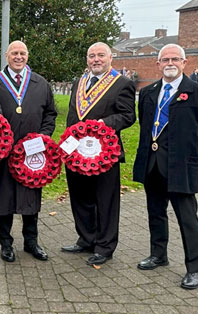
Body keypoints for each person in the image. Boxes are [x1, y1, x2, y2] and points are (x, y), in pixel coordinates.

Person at [131, 43, 198, 289]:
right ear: (158, 64)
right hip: (153, 163)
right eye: (165, 59)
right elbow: (146, 125)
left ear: (184, 62)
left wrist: (188, 150)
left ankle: (194, 268)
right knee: (155, 213)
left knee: (187, 218)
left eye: (175, 59)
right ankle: (158, 254)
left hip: (182, 166)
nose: (170, 63)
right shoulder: (148, 93)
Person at [60, 42, 136, 266]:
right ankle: (86, 238)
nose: (96, 59)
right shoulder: (79, 81)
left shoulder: (122, 83)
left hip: (104, 152)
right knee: (80, 197)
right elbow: (73, 116)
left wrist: (101, 125)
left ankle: (104, 246)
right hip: (76, 151)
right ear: (87, 59)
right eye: (91, 55)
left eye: (100, 55)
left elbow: (127, 116)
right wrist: (66, 146)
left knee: (105, 201)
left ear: (110, 57)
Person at [0, 41, 56, 263]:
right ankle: (5, 243)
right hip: (2, 154)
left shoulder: (40, 83)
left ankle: (31, 241)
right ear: (6, 55)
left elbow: (51, 114)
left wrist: (43, 137)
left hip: (32, 154)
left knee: (31, 198)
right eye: (14, 53)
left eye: (23, 53)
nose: (19, 57)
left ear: (28, 55)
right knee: (4, 198)